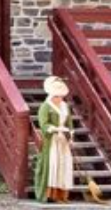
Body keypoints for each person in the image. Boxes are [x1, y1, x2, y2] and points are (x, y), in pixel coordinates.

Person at [34, 75, 75, 204]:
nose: (59, 98)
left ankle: (62, 195)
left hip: (63, 141)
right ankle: (50, 195)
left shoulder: (65, 106)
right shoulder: (45, 106)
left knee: (63, 166)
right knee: (53, 165)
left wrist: (70, 134)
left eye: (61, 96)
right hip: (51, 141)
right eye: (57, 96)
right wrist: (55, 129)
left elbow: (69, 122)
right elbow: (43, 124)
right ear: (51, 94)